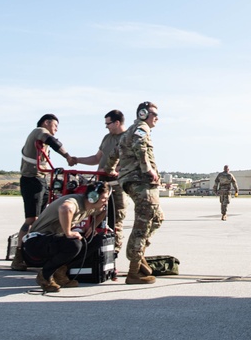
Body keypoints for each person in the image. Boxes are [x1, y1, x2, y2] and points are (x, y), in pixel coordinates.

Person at [11, 113, 77, 270]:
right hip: (31, 179)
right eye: (55, 126)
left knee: (42, 218)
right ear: (46, 123)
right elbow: (53, 141)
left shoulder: (41, 142)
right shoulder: (39, 131)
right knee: (31, 219)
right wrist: (67, 156)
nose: (55, 130)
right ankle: (19, 255)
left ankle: (38, 253)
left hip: (41, 180)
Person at [23, 181, 111, 293]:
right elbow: (65, 209)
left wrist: (92, 227)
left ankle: (60, 271)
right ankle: (45, 275)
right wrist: (68, 232)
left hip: (52, 239)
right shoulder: (75, 201)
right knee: (73, 244)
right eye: (104, 199)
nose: (106, 202)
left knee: (96, 240)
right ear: (93, 197)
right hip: (36, 241)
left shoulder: (91, 205)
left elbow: (102, 212)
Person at [117, 101, 164, 285]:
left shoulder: (130, 130)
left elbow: (116, 151)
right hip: (140, 181)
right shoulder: (141, 128)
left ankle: (138, 253)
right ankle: (134, 271)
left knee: (157, 218)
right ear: (144, 114)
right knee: (143, 224)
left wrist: (111, 167)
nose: (156, 118)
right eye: (154, 114)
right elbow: (140, 147)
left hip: (135, 181)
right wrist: (148, 170)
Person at [73, 109, 127, 253]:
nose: (106, 127)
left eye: (108, 124)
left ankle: (113, 254)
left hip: (116, 186)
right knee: (95, 217)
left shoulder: (129, 138)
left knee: (116, 221)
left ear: (117, 122)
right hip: (101, 185)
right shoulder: (107, 138)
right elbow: (97, 159)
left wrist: (114, 170)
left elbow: (132, 163)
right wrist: (76, 160)